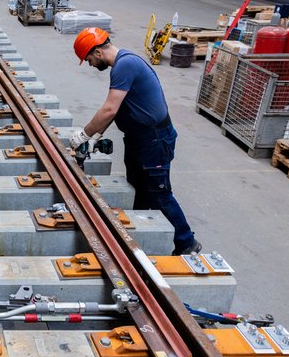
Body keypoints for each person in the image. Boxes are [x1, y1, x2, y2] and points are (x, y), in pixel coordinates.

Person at [69, 27, 201, 256]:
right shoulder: (122, 65)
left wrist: (85, 135)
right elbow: (118, 108)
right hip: (138, 138)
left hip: (154, 139)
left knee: (158, 192)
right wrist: (96, 136)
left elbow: (109, 110)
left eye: (89, 59)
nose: (90, 64)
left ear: (98, 52)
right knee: (138, 187)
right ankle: (141, 233)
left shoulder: (125, 65)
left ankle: (186, 242)